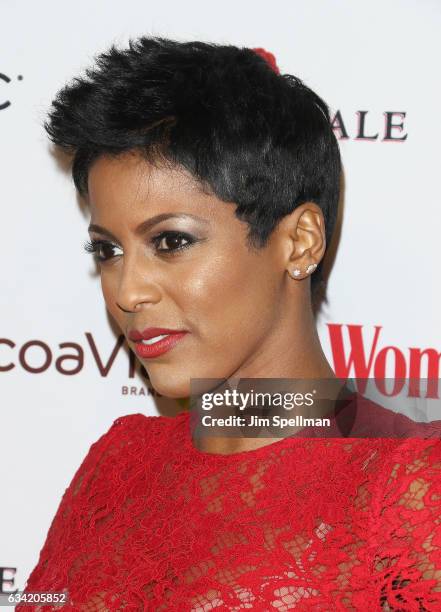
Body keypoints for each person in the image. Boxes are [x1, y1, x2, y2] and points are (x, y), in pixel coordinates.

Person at [17, 37, 441, 611]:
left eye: (171, 242)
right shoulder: (117, 463)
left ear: (299, 241)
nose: (127, 290)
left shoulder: (410, 489)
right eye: (108, 251)